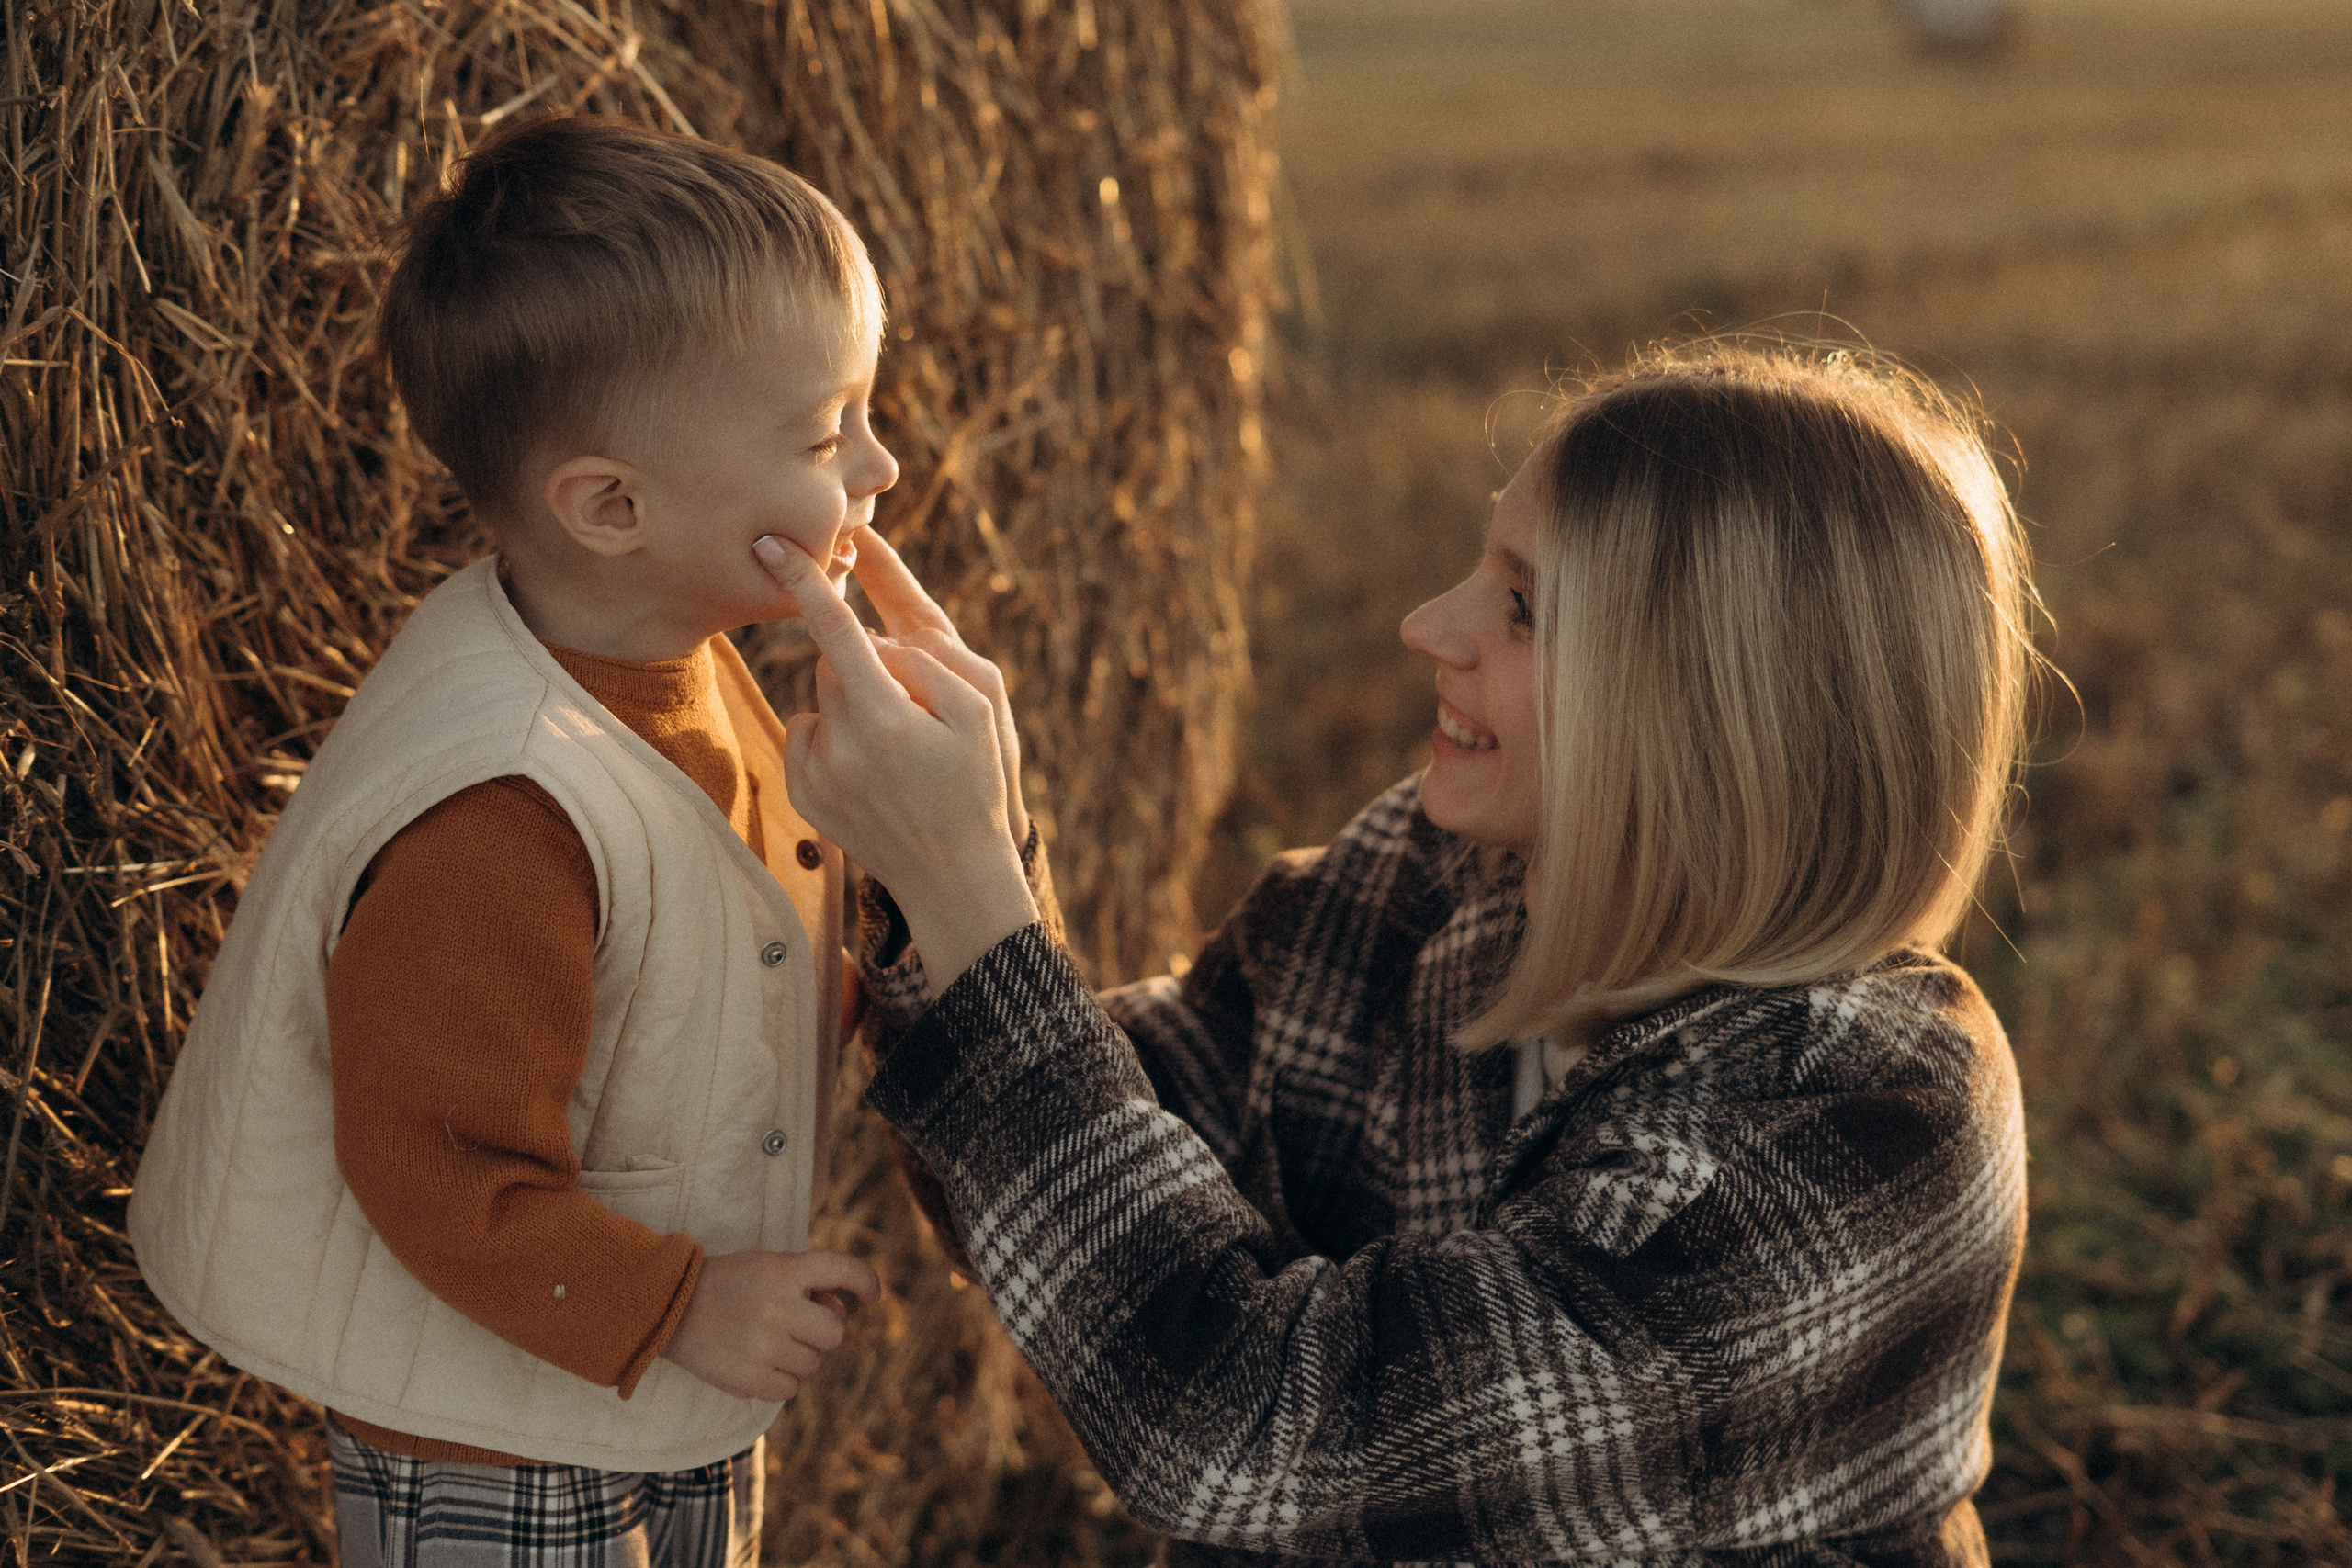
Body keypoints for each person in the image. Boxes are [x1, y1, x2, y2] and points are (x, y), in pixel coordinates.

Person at [757, 343, 2039, 1565]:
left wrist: (976, 902)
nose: (1431, 623)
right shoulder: (1428, 892)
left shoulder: (1869, 1135)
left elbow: (1243, 1435)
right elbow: (1062, 1203)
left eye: (1524, 608)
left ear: (1715, 714)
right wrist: (944, 891)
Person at [129, 117, 891, 1567]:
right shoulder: (503, 812)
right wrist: (681, 1308)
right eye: (825, 433)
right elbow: (432, 1159)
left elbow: (699, 933)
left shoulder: (673, 654)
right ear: (612, 507)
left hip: (637, 1393)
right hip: (503, 1439)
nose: (884, 464)